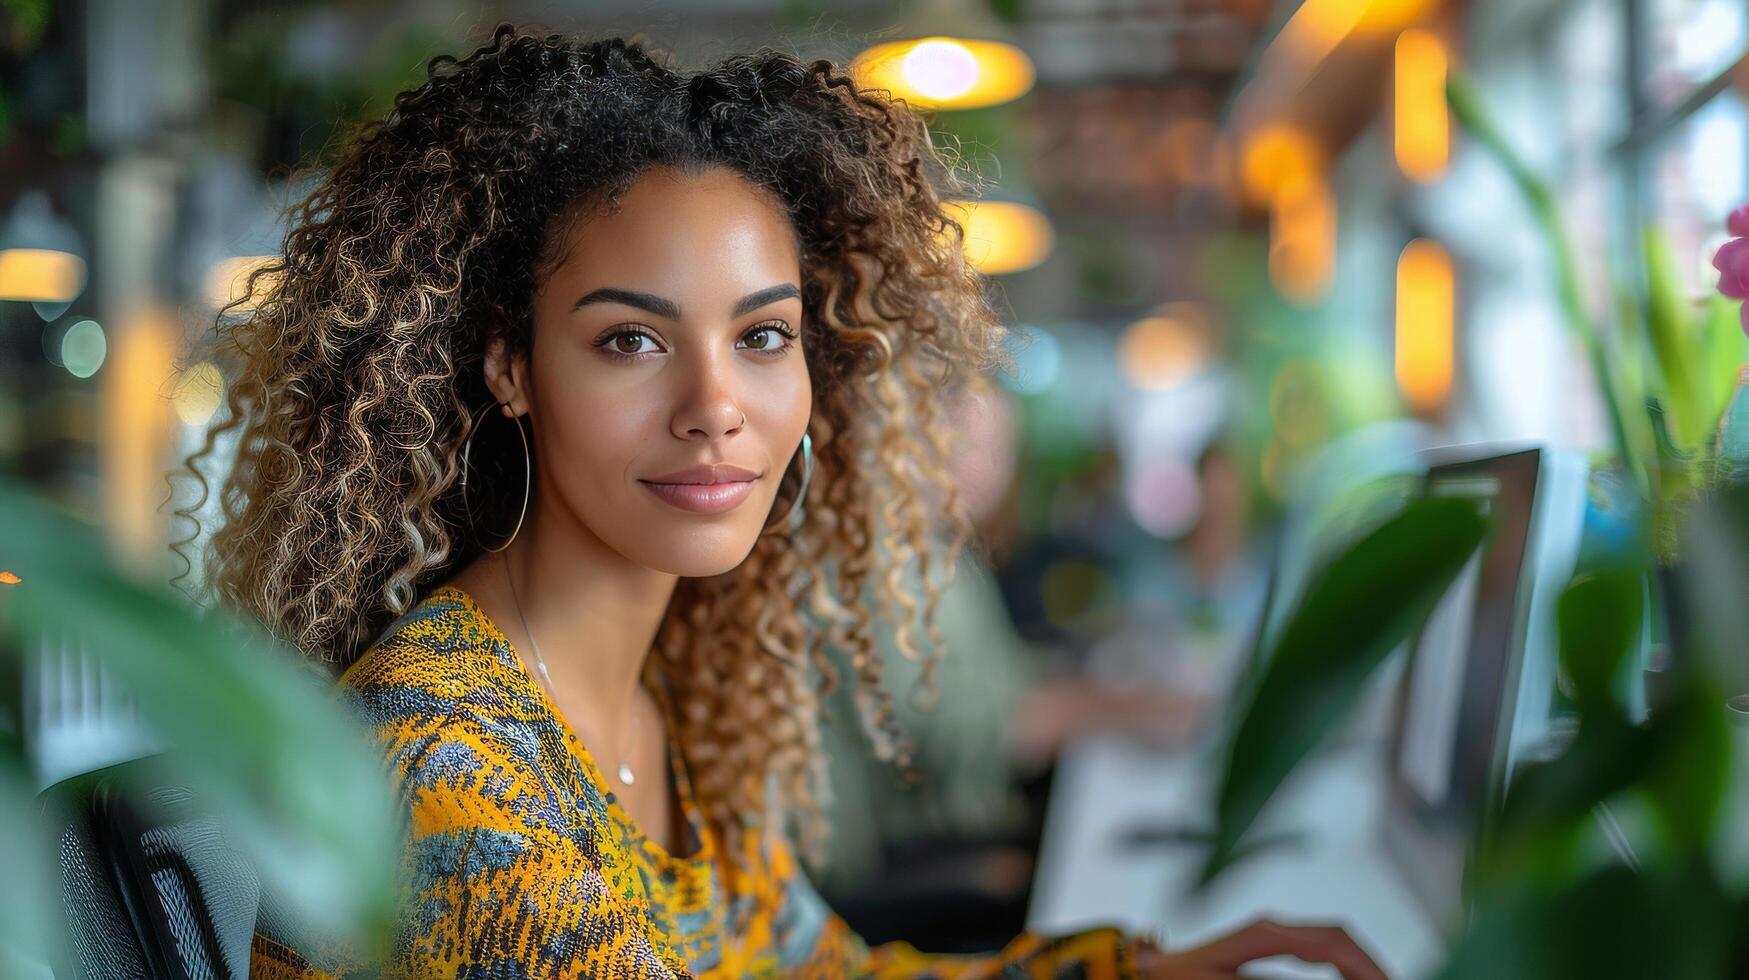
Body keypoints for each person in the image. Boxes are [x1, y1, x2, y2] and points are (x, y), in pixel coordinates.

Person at [181, 24, 1385, 979]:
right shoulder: (446, 768)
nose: (718, 405)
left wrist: (1136, 971)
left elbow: (827, 969)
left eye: (763, 334)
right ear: (509, 364)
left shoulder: (649, 711)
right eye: (630, 344)